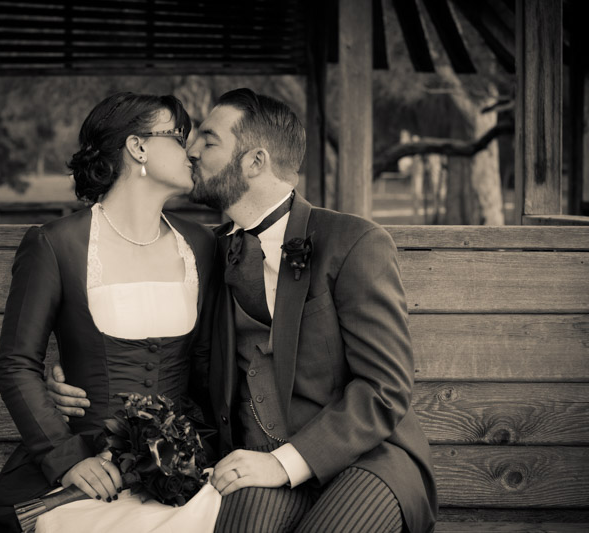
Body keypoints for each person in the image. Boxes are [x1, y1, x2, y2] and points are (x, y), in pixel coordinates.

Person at [50, 88, 438, 532]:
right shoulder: (204, 253)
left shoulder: (351, 243)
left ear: (254, 162)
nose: (190, 150)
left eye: (208, 140)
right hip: (251, 463)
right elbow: (165, 352)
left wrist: (286, 463)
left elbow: (384, 388)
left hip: (369, 459)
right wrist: (68, 378)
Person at [0, 92, 220, 533]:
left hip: (177, 467)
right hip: (87, 460)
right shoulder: (57, 243)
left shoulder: (202, 244)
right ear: (137, 147)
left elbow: (206, 361)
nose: (191, 150)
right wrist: (64, 460)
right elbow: (16, 363)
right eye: (178, 137)